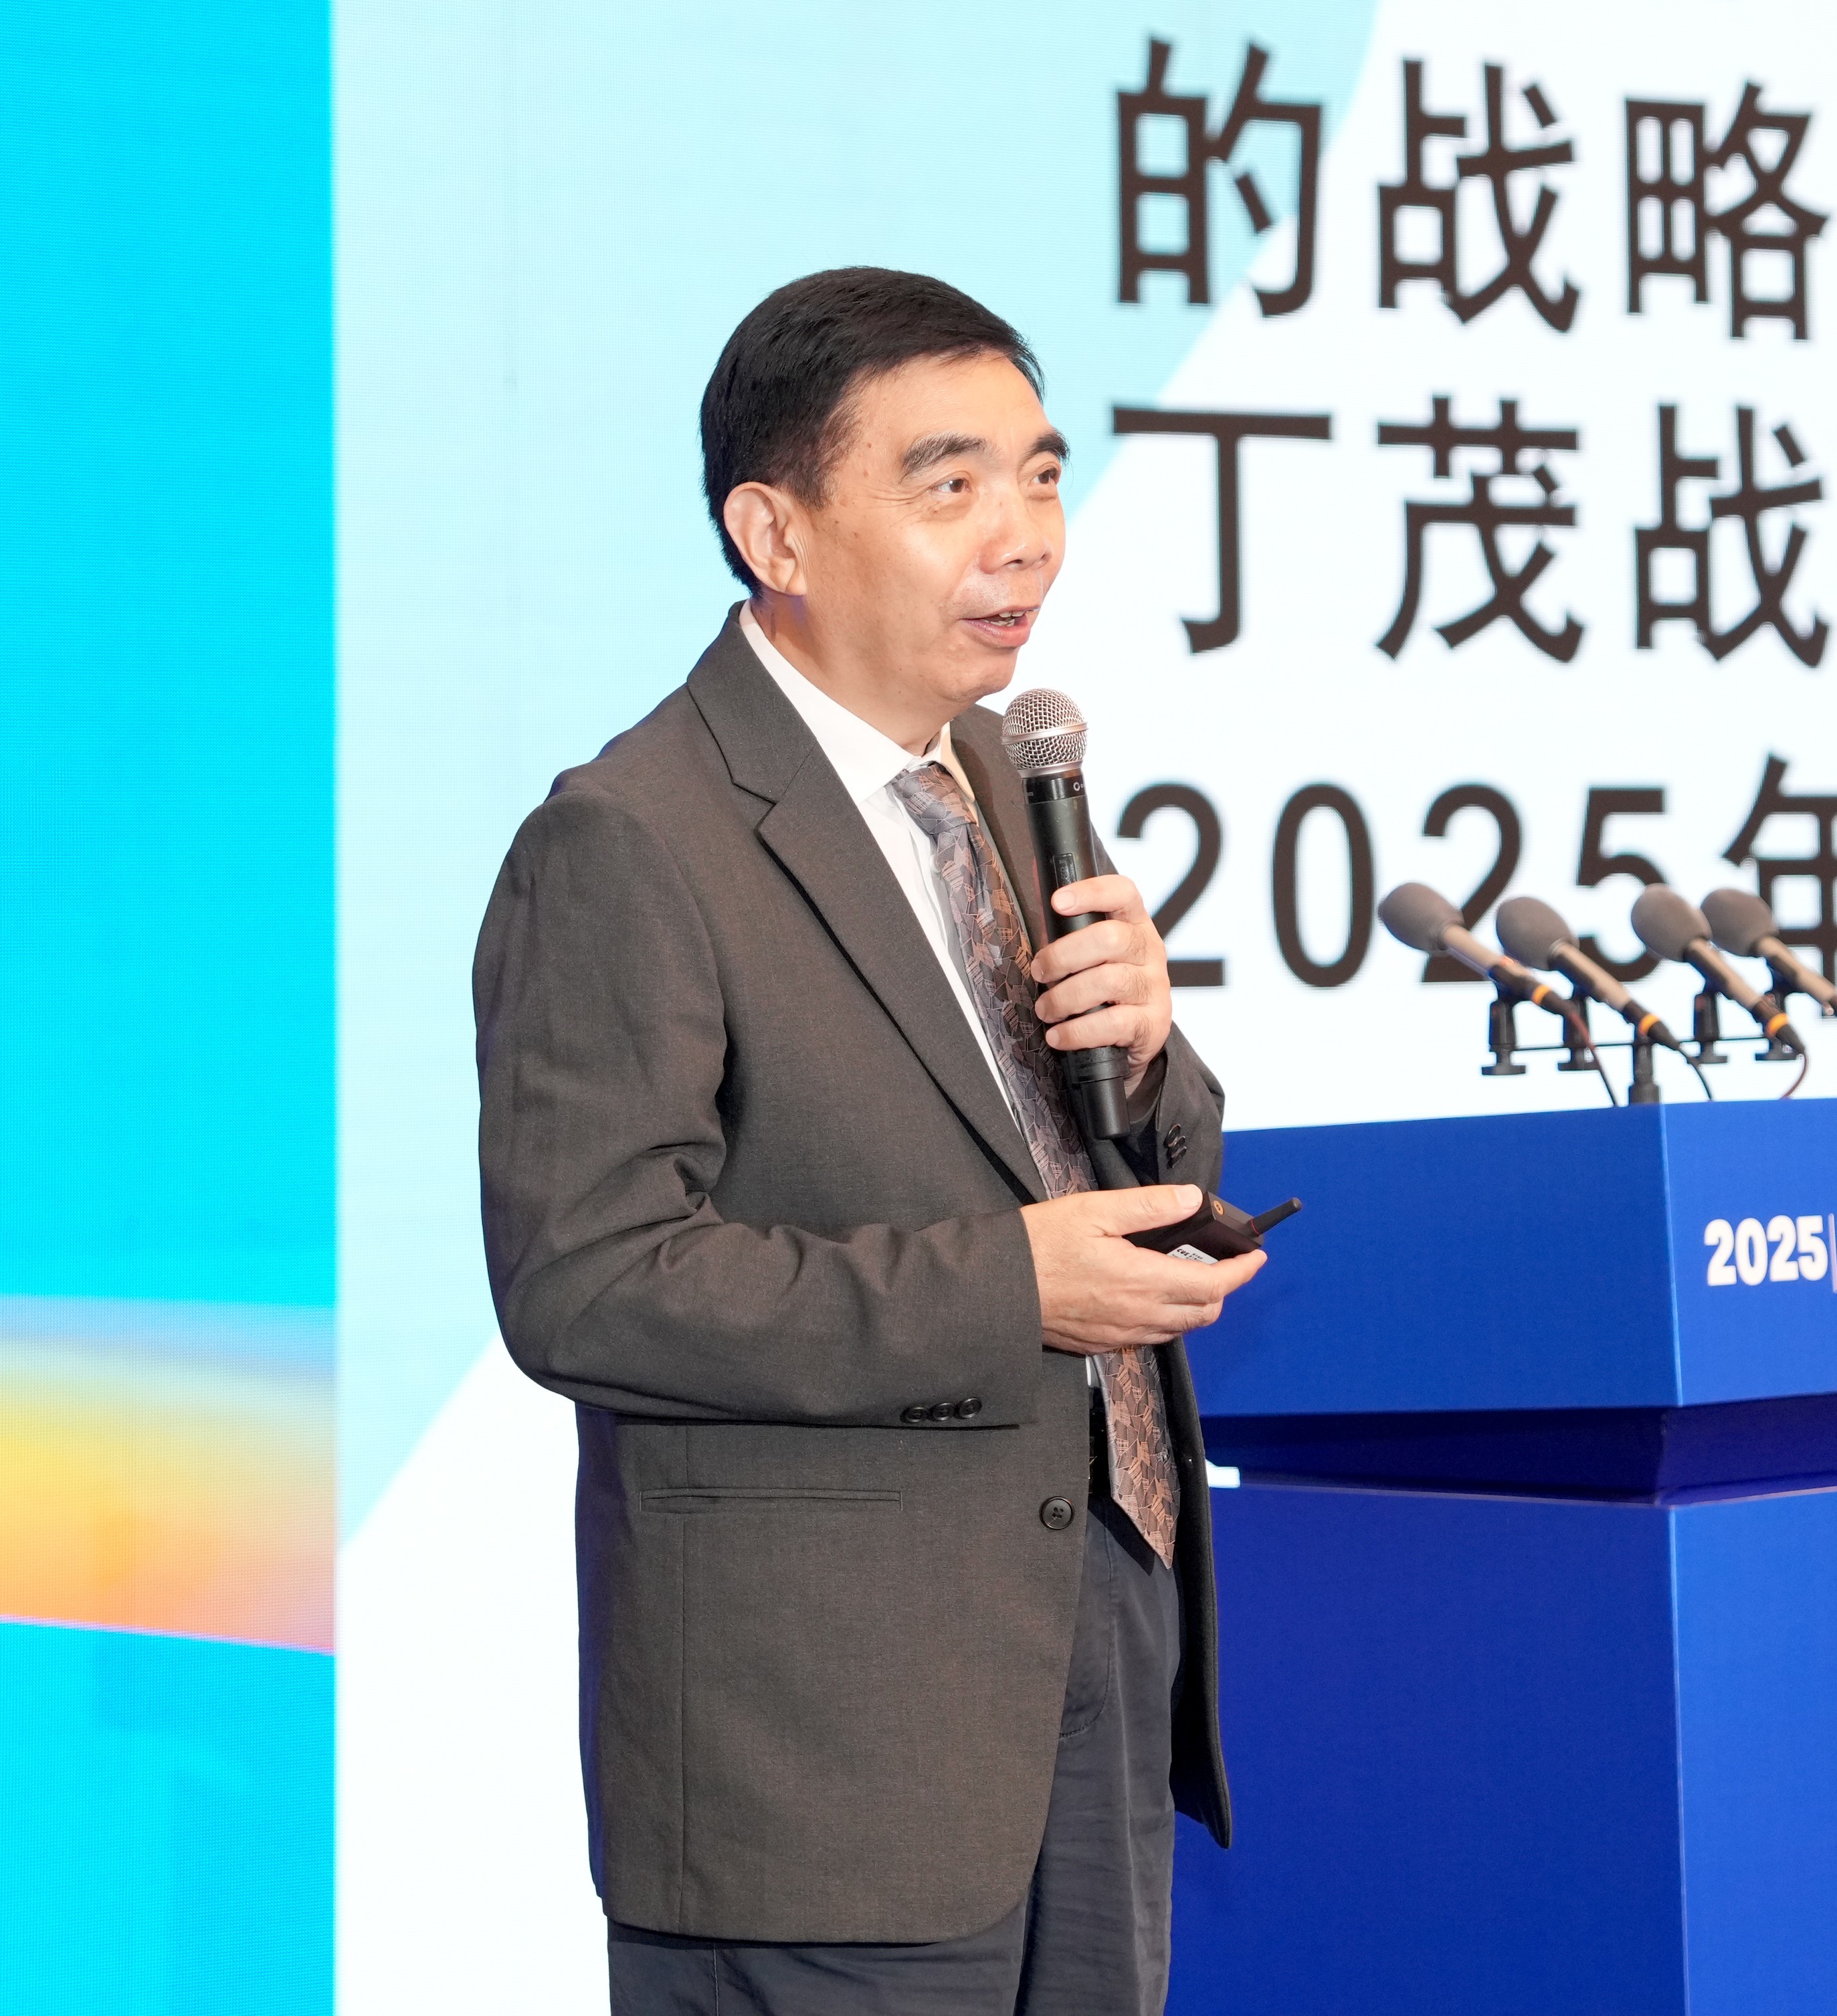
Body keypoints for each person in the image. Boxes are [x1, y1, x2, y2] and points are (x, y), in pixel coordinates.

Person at [473, 267, 1268, 2015]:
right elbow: (587, 1283)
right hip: (819, 1752)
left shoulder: (1009, 784)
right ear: (776, 532)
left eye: (1042, 475)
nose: (1025, 535)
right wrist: (1007, 1291)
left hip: (1088, 1649)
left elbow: (1109, 1167)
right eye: (949, 483)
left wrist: (1151, 1054)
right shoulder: (633, 838)